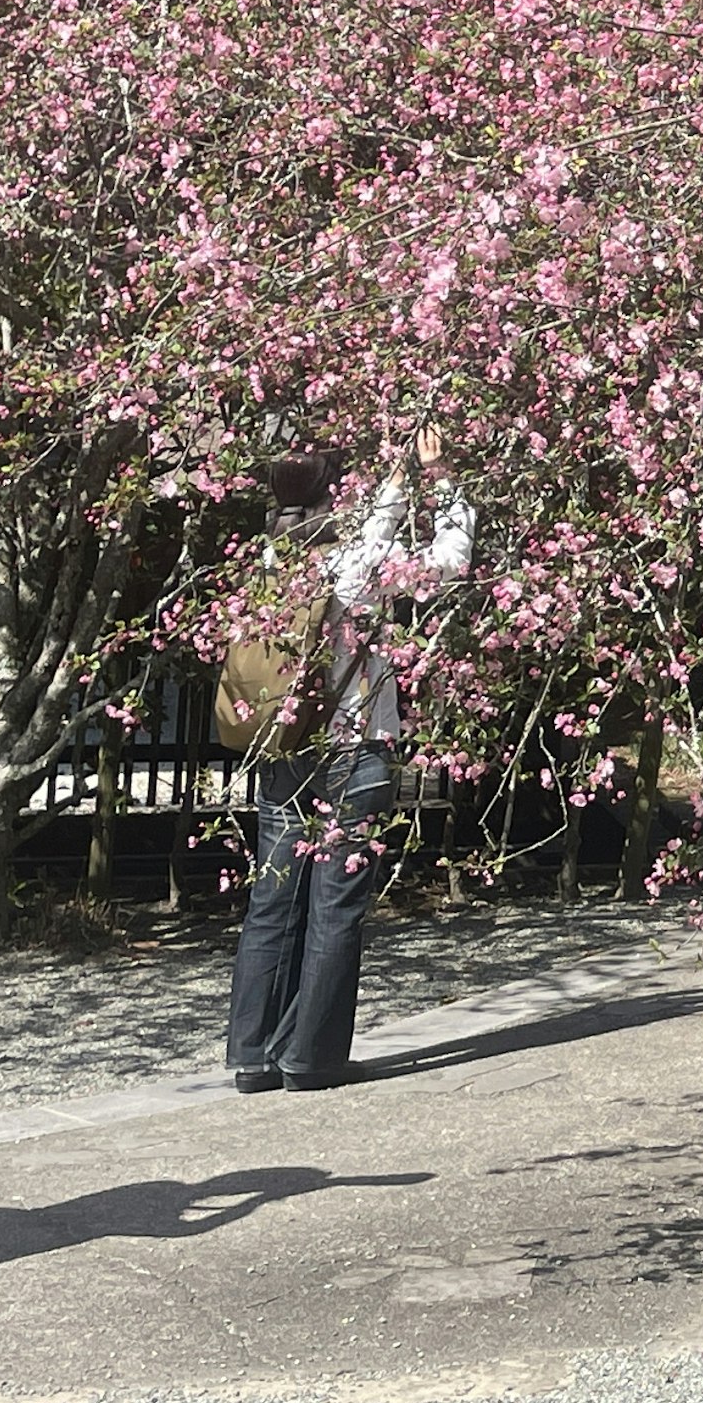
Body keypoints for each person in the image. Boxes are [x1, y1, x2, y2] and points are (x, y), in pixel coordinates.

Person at [224, 451, 471, 1095]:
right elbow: (452, 560)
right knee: (335, 906)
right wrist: (438, 476)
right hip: (352, 750)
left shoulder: (269, 566)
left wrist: (385, 496)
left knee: (270, 901)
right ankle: (311, 1058)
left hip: (283, 749)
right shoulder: (356, 566)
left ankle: (252, 1057)